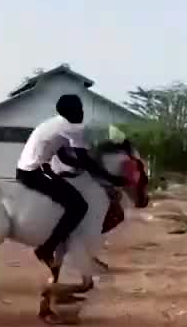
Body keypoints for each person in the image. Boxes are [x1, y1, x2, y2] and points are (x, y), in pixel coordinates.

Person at [14, 93, 117, 267]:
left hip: (33, 168)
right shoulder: (73, 127)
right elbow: (85, 160)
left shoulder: (56, 123)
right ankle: (47, 248)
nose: (82, 113)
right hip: (34, 172)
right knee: (79, 206)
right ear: (71, 112)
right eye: (79, 110)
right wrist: (110, 177)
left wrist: (81, 166)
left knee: (71, 196)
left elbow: (64, 155)